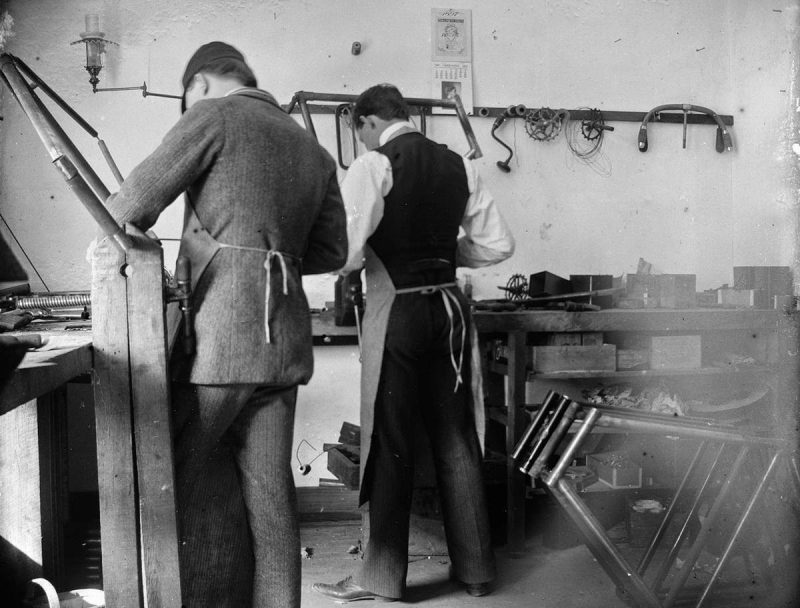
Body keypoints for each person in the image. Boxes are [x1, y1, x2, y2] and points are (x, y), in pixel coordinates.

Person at [100, 41, 347, 608]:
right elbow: (332, 251)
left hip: (221, 341)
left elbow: (125, 207)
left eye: (186, 99)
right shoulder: (311, 147)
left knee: (178, 478)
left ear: (200, 83)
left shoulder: (212, 116)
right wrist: (270, 255)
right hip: (283, 346)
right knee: (270, 493)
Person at [313, 84, 515, 603]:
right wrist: (443, 256)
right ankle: (477, 573)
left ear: (367, 122)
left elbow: (347, 253)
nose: (363, 142)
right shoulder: (460, 164)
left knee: (390, 441)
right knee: (457, 437)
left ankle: (381, 579)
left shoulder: (373, 165)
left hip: (398, 312)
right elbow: (498, 245)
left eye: (361, 133)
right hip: (449, 312)